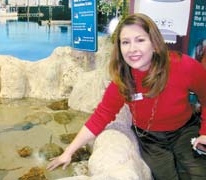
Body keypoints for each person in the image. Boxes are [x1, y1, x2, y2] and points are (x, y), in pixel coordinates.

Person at [47, 13, 206, 180]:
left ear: (154, 43)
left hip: (184, 130)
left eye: (140, 40)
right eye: (125, 42)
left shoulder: (183, 66)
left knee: (198, 173)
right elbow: (100, 117)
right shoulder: (122, 80)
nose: (132, 49)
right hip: (150, 139)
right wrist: (69, 152)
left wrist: (205, 132)